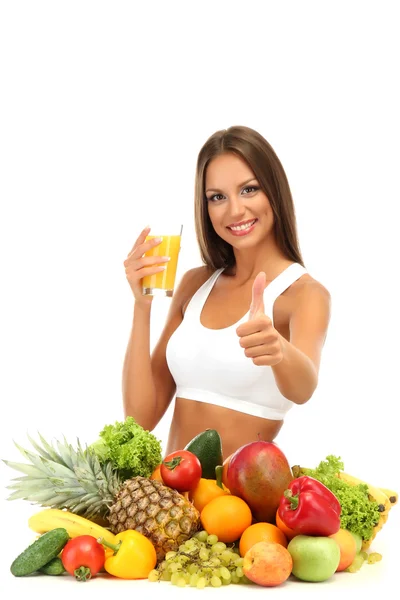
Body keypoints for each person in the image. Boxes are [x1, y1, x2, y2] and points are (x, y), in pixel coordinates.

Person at [122, 125, 331, 460]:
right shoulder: (195, 284)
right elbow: (140, 418)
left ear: (274, 191)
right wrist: (141, 305)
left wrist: (278, 349)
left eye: (249, 190)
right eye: (217, 197)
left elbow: (303, 388)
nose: (234, 211)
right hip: (166, 502)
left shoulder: (304, 294)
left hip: (236, 508)